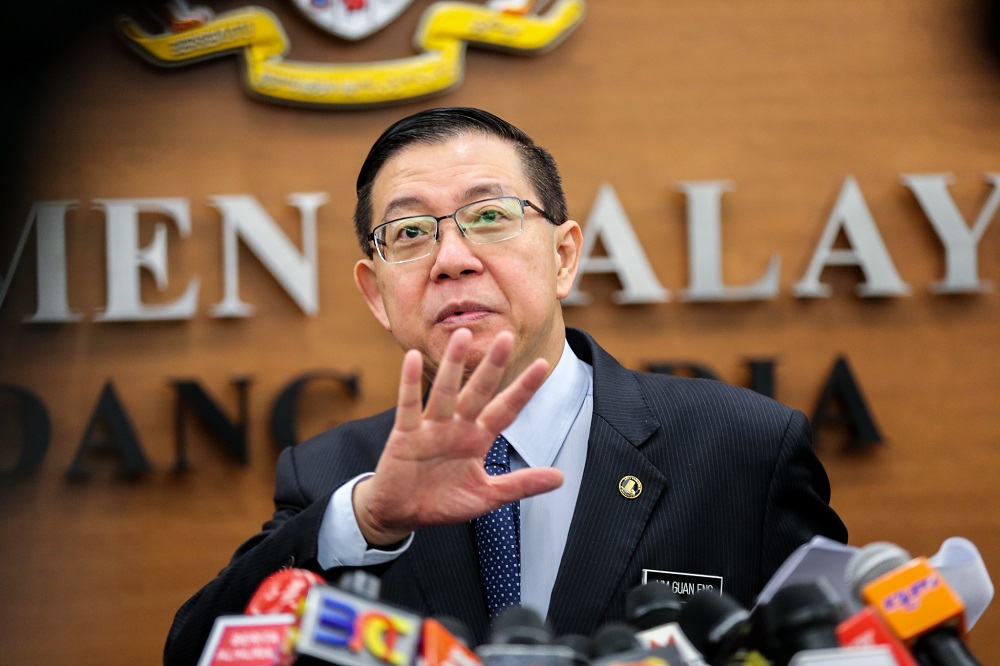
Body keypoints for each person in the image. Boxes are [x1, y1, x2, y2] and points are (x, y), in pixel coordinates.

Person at [164, 107, 847, 665]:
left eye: (489, 216)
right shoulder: (333, 476)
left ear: (564, 256)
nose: (451, 259)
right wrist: (367, 520)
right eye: (409, 232)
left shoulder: (744, 448)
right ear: (376, 294)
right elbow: (195, 651)